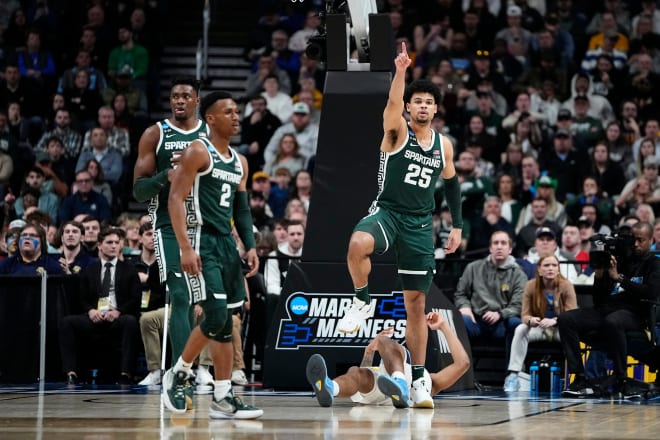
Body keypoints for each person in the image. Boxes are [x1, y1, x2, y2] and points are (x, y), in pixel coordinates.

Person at [336, 43, 463, 409]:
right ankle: (361, 302)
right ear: (409, 107)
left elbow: (452, 184)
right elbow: (391, 105)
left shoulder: (444, 145)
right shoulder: (396, 132)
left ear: (436, 108)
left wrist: (456, 226)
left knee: (416, 304)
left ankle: (420, 378)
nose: (422, 105)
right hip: (388, 212)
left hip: (421, 225)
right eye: (416, 101)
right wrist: (401, 72)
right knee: (358, 243)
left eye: (428, 101)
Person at [163, 91, 262, 419]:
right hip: (200, 240)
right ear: (211, 118)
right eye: (228, 112)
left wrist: (249, 245)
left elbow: (242, 209)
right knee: (216, 315)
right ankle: (178, 374)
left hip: (225, 244)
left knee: (225, 322)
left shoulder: (240, 161)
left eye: (238, 112)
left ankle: (223, 397)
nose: (236, 117)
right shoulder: (197, 152)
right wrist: (185, 248)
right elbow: (175, 199)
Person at [132, 77, 208, 380]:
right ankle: (181, 371)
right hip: (167, 222)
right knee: (180, 294)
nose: (179, 101)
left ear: (197, 101)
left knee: (207, 301)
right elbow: (138, 192)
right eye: (174, 96)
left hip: (206, 222)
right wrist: (166, 175)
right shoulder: (155, 134)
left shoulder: (210, 134)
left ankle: (200, 367)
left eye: (186, 96)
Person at [559, 222, 660, 398]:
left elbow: (650, 292)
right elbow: (598, 300)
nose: (636, 244)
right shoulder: (617, 260)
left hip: (634, 313)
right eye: (633, 240)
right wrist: (599, 276)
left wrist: (619, 278)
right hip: (606, 311)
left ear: (651, 240)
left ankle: (621, 380)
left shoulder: (654, 263)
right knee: (566, 319)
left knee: (613, 320)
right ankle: (580, 378)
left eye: (641, 240)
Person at [306, 312, 469, 408]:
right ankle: (329, 387)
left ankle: (401, 383)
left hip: (399, 390)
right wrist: (369, 352)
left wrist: (443, 326)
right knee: (357, 372)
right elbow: (363, 377)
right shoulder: (387, 374)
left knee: (383, 342)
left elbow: (463, 364)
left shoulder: (431, 381)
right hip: (382, 391)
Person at [58, 227, 141, 385]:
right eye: (109, 242)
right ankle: (71, 373)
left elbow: (135, 299)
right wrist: (90, 311)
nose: (114, 246)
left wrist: (118, 311)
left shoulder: (129, 269)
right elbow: (81, 298)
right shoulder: (90, 270)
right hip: (95, 317)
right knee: (66, 322)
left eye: (117, 243)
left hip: (118, 317)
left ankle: (125, 373)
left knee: (130, 322)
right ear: (100, 245)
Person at [503, 254, 578, 391]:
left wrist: (555, 320)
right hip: (539, 328)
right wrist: (531, 320)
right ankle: (513, 375)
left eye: (554, 265)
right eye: (546, 265)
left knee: (574, 335)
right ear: (539, 269)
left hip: (560, 329)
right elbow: (524, 314)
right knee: (520, 329)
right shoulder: (531, 285)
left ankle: (575, 378)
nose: (551, 268)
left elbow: (572, 314)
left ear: (558, 269)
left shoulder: (566, 285)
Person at [454, 230, 526, 364]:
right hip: (476, 320)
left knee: (516, 324)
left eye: (503, 243)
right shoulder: (473, 268)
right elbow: (460, 294)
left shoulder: (518, 274)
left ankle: (512, 374)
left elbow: (518, 304)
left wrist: (500, 314)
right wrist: (465, 307)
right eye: (496, 243)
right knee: (460, 320)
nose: (499, 246)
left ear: (510, 249)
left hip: (502, 324)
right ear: (490, 248)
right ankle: (461, 374)